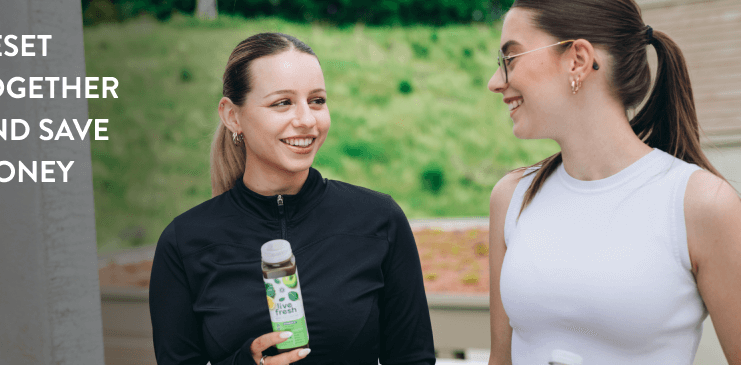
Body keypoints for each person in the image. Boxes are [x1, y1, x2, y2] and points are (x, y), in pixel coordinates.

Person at [149, 32, 435, 365]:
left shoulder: (379, 220)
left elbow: (413, 359)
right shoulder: (183, 242)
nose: (307, 120)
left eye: (317, 101)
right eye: (282, 102)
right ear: (232, 116)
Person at [485, 1, 741, 364]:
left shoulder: (700, 204)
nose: (495, 82)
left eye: (511, 59)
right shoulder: (512, 197)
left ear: (578, 59)